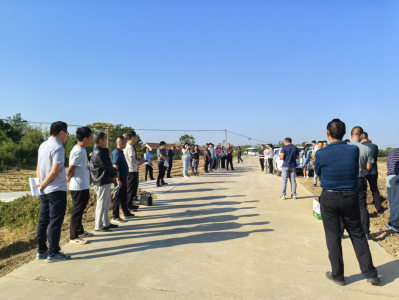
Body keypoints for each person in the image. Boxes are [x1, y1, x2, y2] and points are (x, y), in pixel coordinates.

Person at [315, 118, 379, 286]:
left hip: (329, 197)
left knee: (333, 236)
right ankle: (370, 273)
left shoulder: (321, 153)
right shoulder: (353, 151)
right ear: (344, 134)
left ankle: (338, 275)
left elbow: (318, 171)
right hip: (351, 196)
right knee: (357, 233)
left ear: (328, 133)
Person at [35, 121, 71, 262]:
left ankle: (41, 251)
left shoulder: (43, 145)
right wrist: (44, 183)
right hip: (56, 189)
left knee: (43, 221)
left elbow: (38, 166)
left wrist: (40, 182)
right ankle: (53, 253)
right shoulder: (58, 147)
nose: (67, 136)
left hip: (44, 190)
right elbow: (55, 170)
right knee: (55, 221)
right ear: (61, 132)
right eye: (67, 133)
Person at [67, 126, 93, 245]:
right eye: (91, 136)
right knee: (77, 211)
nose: (92, 138)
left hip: (84, 185)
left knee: (81, 210)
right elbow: (70, 169)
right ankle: (73, 236)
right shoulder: (78, 151)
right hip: (77, 186)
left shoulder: (82, 150)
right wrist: (67, 180)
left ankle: (80, 231)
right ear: (85, 138)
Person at [90, 131, 119, 232]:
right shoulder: (98, 152)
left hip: (104, 179)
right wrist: (115, 172)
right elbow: (106, 166)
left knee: (107, 201)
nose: (106, 141)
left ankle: (105, 222)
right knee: (101, 202)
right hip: (101, 180)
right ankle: (98, 225)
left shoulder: (100, 150)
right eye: (105, 139)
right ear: (101, 140)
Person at [349, 126, 374, 239]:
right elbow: (369, 167)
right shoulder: (366, 149)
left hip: (347, 179)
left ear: (350, 135)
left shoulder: (346, 147)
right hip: (360, 179)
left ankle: (341, 230)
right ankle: (366, 232)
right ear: (361, 136)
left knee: (345, 205)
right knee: (362, 205)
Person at [111, 136, 135, 223]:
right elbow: (115, 167)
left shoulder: (121, 152)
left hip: (123, 177)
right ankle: (115, 215)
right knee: (118, 196)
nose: (126, 144)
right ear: (121, 143)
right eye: (125, 142)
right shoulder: (116, 152)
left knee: (124, 196)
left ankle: (126, 212)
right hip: (119, 178)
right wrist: (118, 180)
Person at [361, 132, 384, 213]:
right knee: (374, 189)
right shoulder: (374, 146)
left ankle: (363, 208)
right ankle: (378, 207)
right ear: (368, 137)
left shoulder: (360, 147)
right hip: (373, 171)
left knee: (362, 190)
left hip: (363, 172)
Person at [124, 131, 143, 212]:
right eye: (136, 137)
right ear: (133, 138)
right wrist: (139, 162)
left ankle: (129, 204)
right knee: (131, 189)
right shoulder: (130, 147)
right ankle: (129, 205)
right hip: (132, 170)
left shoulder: (125, 146)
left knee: (129, 188)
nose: (137, 139)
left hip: (128, 170)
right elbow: (132, 160)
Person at [386, 147, 399, 233]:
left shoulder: (391, 153)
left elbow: (388, 165)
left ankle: (393, 219)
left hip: (389, 177)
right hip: (396, 177)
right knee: (396, 201)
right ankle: (393, 223)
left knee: (391, 201)